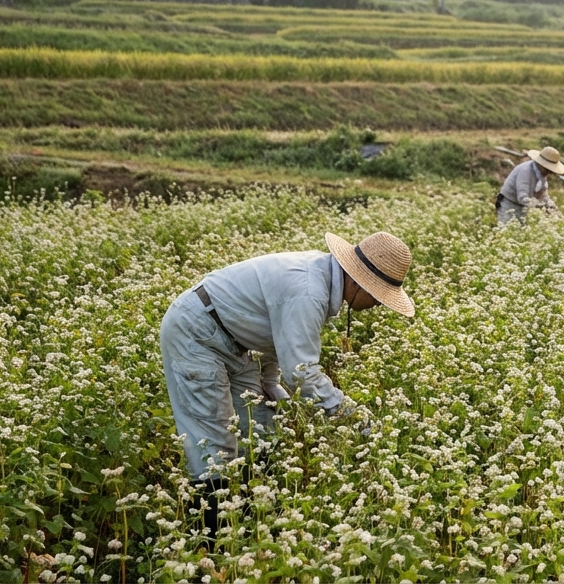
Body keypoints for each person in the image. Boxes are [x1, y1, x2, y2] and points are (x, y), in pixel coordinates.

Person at [160, 231, 415, 543]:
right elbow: (302, 373)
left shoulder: (319, 281)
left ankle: (252, 522)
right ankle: (211, 543)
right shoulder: (309, 291)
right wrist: (352, 417)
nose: (377, 304)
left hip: (233, 341)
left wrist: (269, 383)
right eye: (378, 295)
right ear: (360, 282)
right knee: (213, 445)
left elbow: (275, 332)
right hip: (196, 333)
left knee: (261, 427)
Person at [496, 146, 564, 223]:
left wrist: (552, 207)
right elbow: (522, 197)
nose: (549, 172)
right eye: (547, 169)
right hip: (509, 204)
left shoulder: (541, 175)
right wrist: (541, 205)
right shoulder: (526, 171)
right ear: (541, 164)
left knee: (520, 228)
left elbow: (543, 195)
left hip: (523, 207)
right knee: (508, 227)